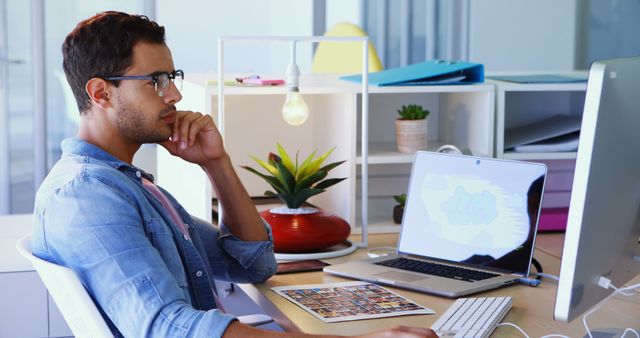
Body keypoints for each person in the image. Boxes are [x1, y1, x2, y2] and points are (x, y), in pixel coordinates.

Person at [31, 11, 437, 338]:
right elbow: (167, 328)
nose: (175, 95)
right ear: (101, 93)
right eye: (156, 81)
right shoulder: (85, 195)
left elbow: (253, 265)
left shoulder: (129, 185)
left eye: (171, 78)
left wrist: (216, 163)